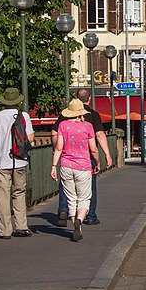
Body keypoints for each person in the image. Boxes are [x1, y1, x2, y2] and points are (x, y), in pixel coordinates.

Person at [52, 87, 112, 227]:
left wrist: (56, 154)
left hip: (66, 160)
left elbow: (54, 134)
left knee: (67, 187)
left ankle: (63, 210)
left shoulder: (63, 118)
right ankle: (89, 215)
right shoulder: (92, 116)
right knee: (88, 189)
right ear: (89, 99)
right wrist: (106, 155)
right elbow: (99, 136)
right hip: (86, 159)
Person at [0, 87, 35, 239]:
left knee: (3, 195)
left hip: (1, 161)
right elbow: (31, 138)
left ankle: (5, 230)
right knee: (19, 193)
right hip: (19, 160)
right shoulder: (23, 116)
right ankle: (21, 226)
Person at [51, 99, 99, 242]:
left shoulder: (63, 125)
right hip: (83, 166)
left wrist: (54, 166)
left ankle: (76, 226)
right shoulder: (88, 126)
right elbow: (93, 149)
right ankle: (79, 219)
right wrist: (97, 161)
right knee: (84, 197)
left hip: (66, 166)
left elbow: (59, 147)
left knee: (71, 198)